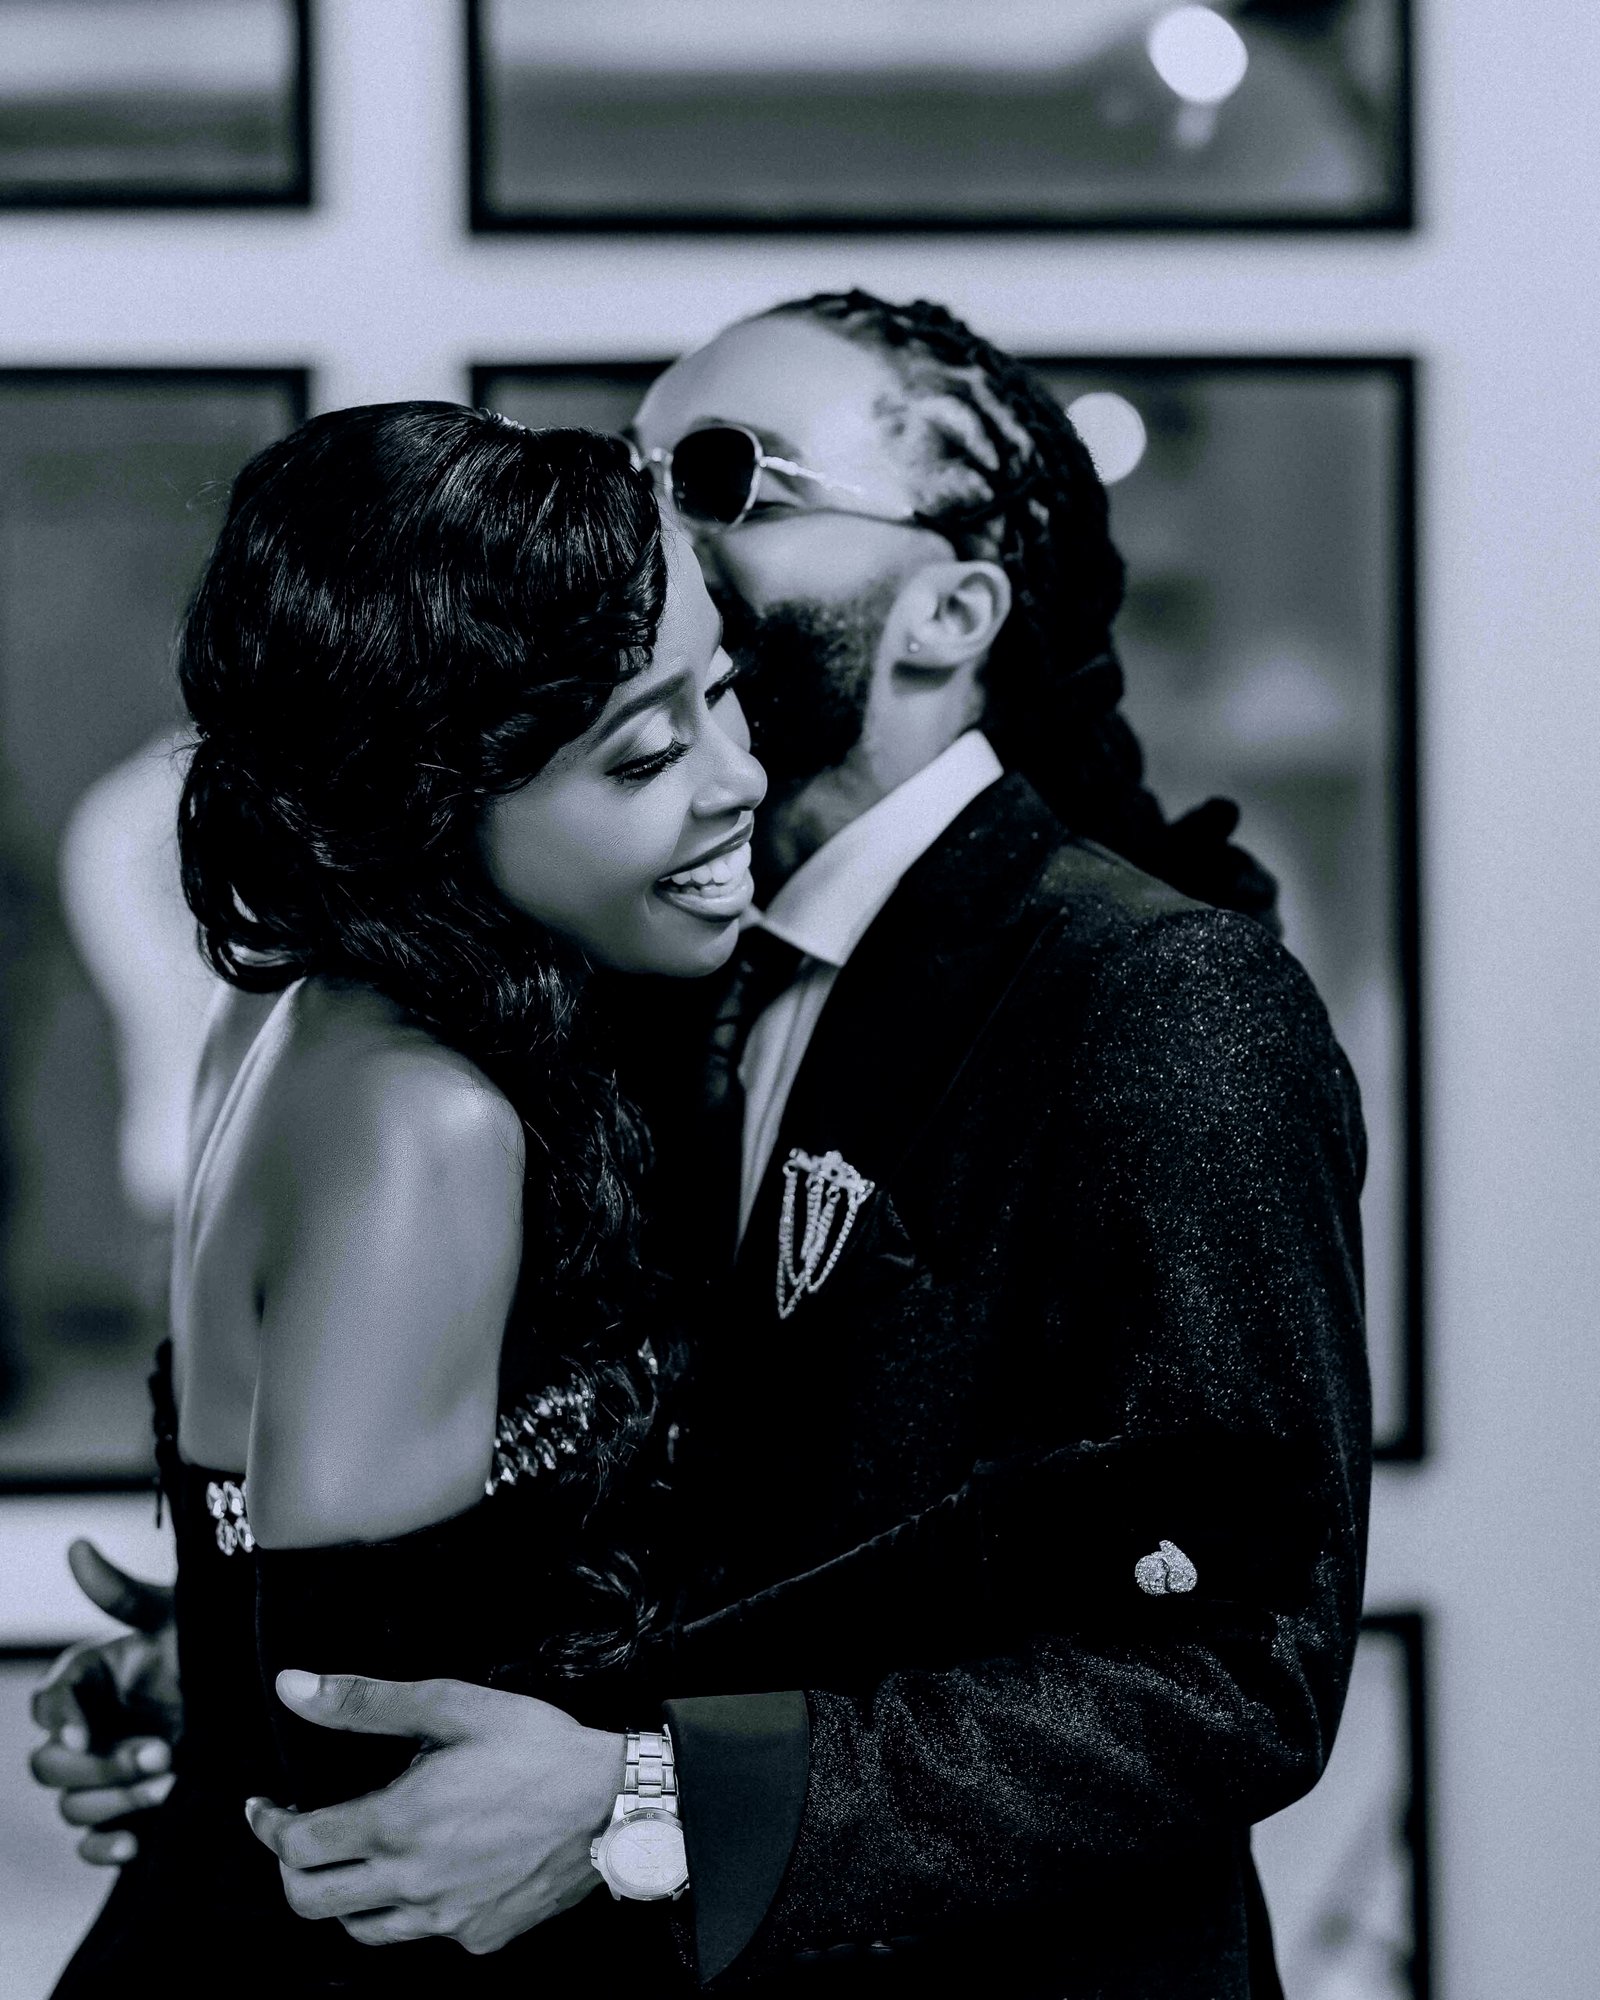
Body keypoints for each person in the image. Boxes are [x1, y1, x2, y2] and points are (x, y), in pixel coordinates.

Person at [34, 296, 1370, 1998]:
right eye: (648, 460)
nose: (661, 516)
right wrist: (250, 1671)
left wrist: (655, 1798)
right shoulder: (597, 962)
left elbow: (1239, 1664)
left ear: (950, 611)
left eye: (733, 473)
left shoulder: (1159, 1000)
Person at [41, 403, 767, 1994]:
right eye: (647, 753)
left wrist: (200, 1663)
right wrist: (661, 1809)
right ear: (429, 800)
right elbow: (370, 1794)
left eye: (724, 693)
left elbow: (299, 1612)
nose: (741, 778)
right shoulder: (425, 1123)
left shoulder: (300, 1011)